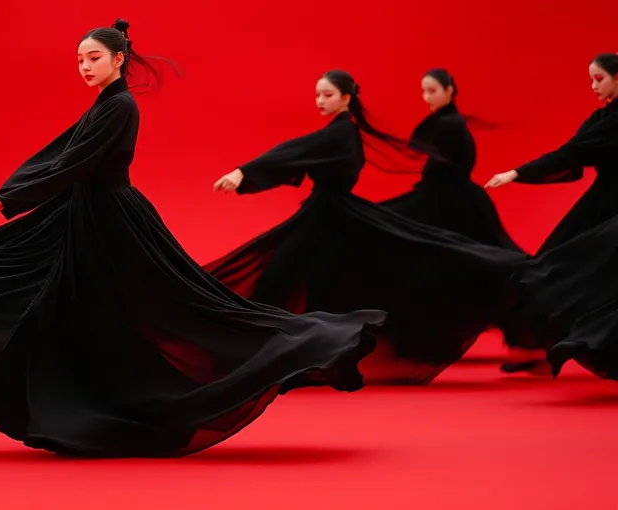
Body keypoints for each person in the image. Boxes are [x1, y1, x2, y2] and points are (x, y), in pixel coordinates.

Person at [0, 19, 385, 458]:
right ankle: (82, 410)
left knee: (179, 307)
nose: (84, 67)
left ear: (118, 59)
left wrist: (11, 201)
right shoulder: (104, 105)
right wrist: (11, 193)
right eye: (79, 60)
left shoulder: (121, 106)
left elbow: (76, 164)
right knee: (84, 311)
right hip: (86, 217)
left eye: (93, 58)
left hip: (113, 221)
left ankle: (298, 343)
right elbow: (61, 154)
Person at [208, 70, 527, 385]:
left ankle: (246, 354)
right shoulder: (343, 132)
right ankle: (268, 355)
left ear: (346, 99)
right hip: (327, 214)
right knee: (301, 283)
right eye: (317, 95)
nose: (320, 101)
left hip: (329, 216)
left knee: (284, 279)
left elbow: (294, 149)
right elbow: (298, 152)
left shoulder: (341, 133)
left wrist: (242, 173)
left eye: (328, 95)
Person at [486, 53, 618, 376]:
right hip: (601, 203)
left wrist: (517, 172)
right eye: (591, 79)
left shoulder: (613, 123)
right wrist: (520, 172)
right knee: (555, 269)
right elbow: (569, 152)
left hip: (611, 209)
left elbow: (570, 154)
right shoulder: (600, 118)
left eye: (599, 79)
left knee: (589, 278)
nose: (593, 86)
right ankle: (546, 349)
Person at [381, 69, 521, 250]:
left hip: (450, 203)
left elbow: (453, 168)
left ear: (449, 91)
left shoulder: (449, 123)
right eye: (424, 91)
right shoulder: (446, 121)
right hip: (450, 198)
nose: (426, 98)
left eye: (432, 91)